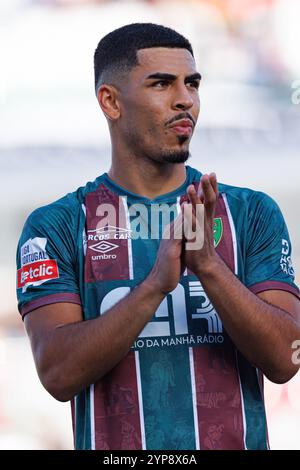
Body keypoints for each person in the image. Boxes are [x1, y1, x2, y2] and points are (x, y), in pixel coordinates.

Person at [16, 23, 300, 450]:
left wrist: (209, 267)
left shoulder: (251, 212)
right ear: (110, 101)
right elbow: (57, 375)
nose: (185, 98)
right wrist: (154, 287)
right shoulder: (56, 225)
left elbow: (286, 359)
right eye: (161, 83)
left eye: (192, 83)